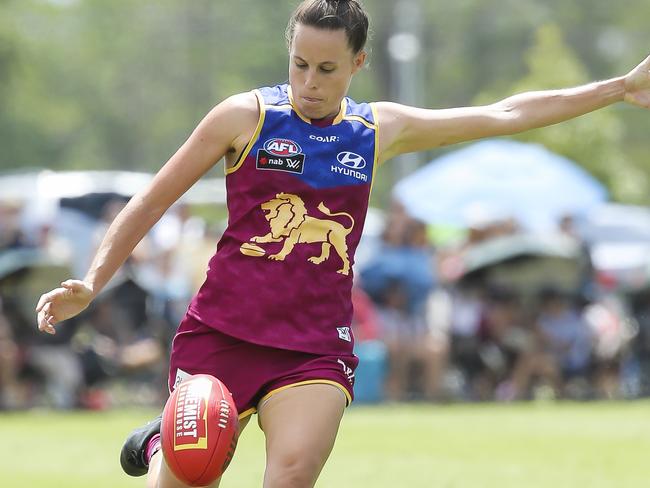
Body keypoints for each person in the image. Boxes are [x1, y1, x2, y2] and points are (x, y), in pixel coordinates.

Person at [35, 0, 650, 486]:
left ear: (357, 64)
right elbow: (151, 201)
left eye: (327, 69)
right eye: (299, 64)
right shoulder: (242, 119)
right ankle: (167, 441)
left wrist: (620, 87)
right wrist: (92, 281)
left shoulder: (376, 129)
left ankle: (168, 435)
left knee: (292, 475)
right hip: (220, 334)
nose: (309, 81)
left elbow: (506, 114)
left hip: (311, 349)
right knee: (193, 478)